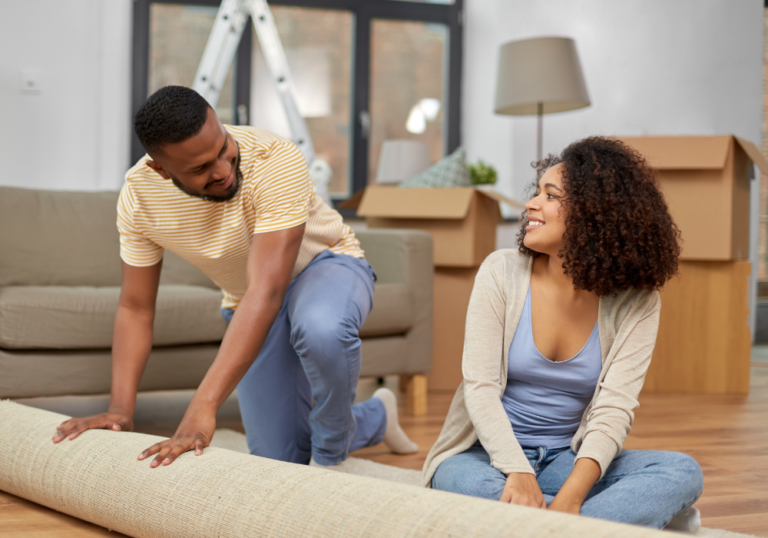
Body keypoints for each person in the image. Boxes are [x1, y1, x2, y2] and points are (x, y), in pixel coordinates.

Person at [53, 85, 417, 469]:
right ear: (160, 169)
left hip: (326, 266)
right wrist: (120, 410)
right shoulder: (139, 198)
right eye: (200, 169)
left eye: (224, 149)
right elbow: (135, 308)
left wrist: (203, 405)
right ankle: (376, 418)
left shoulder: (273, 157)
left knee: (321, 326)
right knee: (278, 459)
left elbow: (269, 288)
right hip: (250, 302)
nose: (224, 172)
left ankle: (330, 462)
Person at [423, 137, 703, 531]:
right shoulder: (501, 272)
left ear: (596, 215)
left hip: (565, 461)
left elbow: (613, 411)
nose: (530, 204)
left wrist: (571, 496)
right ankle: (614, 524)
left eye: (550, 196)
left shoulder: (637, 301)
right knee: (458, 479)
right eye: (536, 192)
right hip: (486, 457)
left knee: (680, 472)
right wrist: (517, 472)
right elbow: (480, 387)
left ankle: (539, 522)